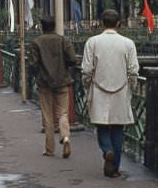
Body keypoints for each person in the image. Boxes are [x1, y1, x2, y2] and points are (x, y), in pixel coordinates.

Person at [81, 9, 140, 178]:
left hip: (99, 89)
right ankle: (115, 168)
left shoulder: (92, 42)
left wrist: (88, 86)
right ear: (119, 23)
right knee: (118, 128)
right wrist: (131, 88)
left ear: (101, 23)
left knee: (102, 125)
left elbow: (86, 69)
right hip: (121, 90)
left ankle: (107, 150)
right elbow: (133, 70)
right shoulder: (128, 43)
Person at [28, 16, 77, 159]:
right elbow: (73, 59)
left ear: (42, 27)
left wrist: (35, 75)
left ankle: (49, 148)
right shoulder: (63, 40)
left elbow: (33, 64)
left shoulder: (36, 42)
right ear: (55, 26)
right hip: (62, 80)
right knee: (63, 113)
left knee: (48, 116)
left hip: (44, 83)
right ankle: (65, 136)